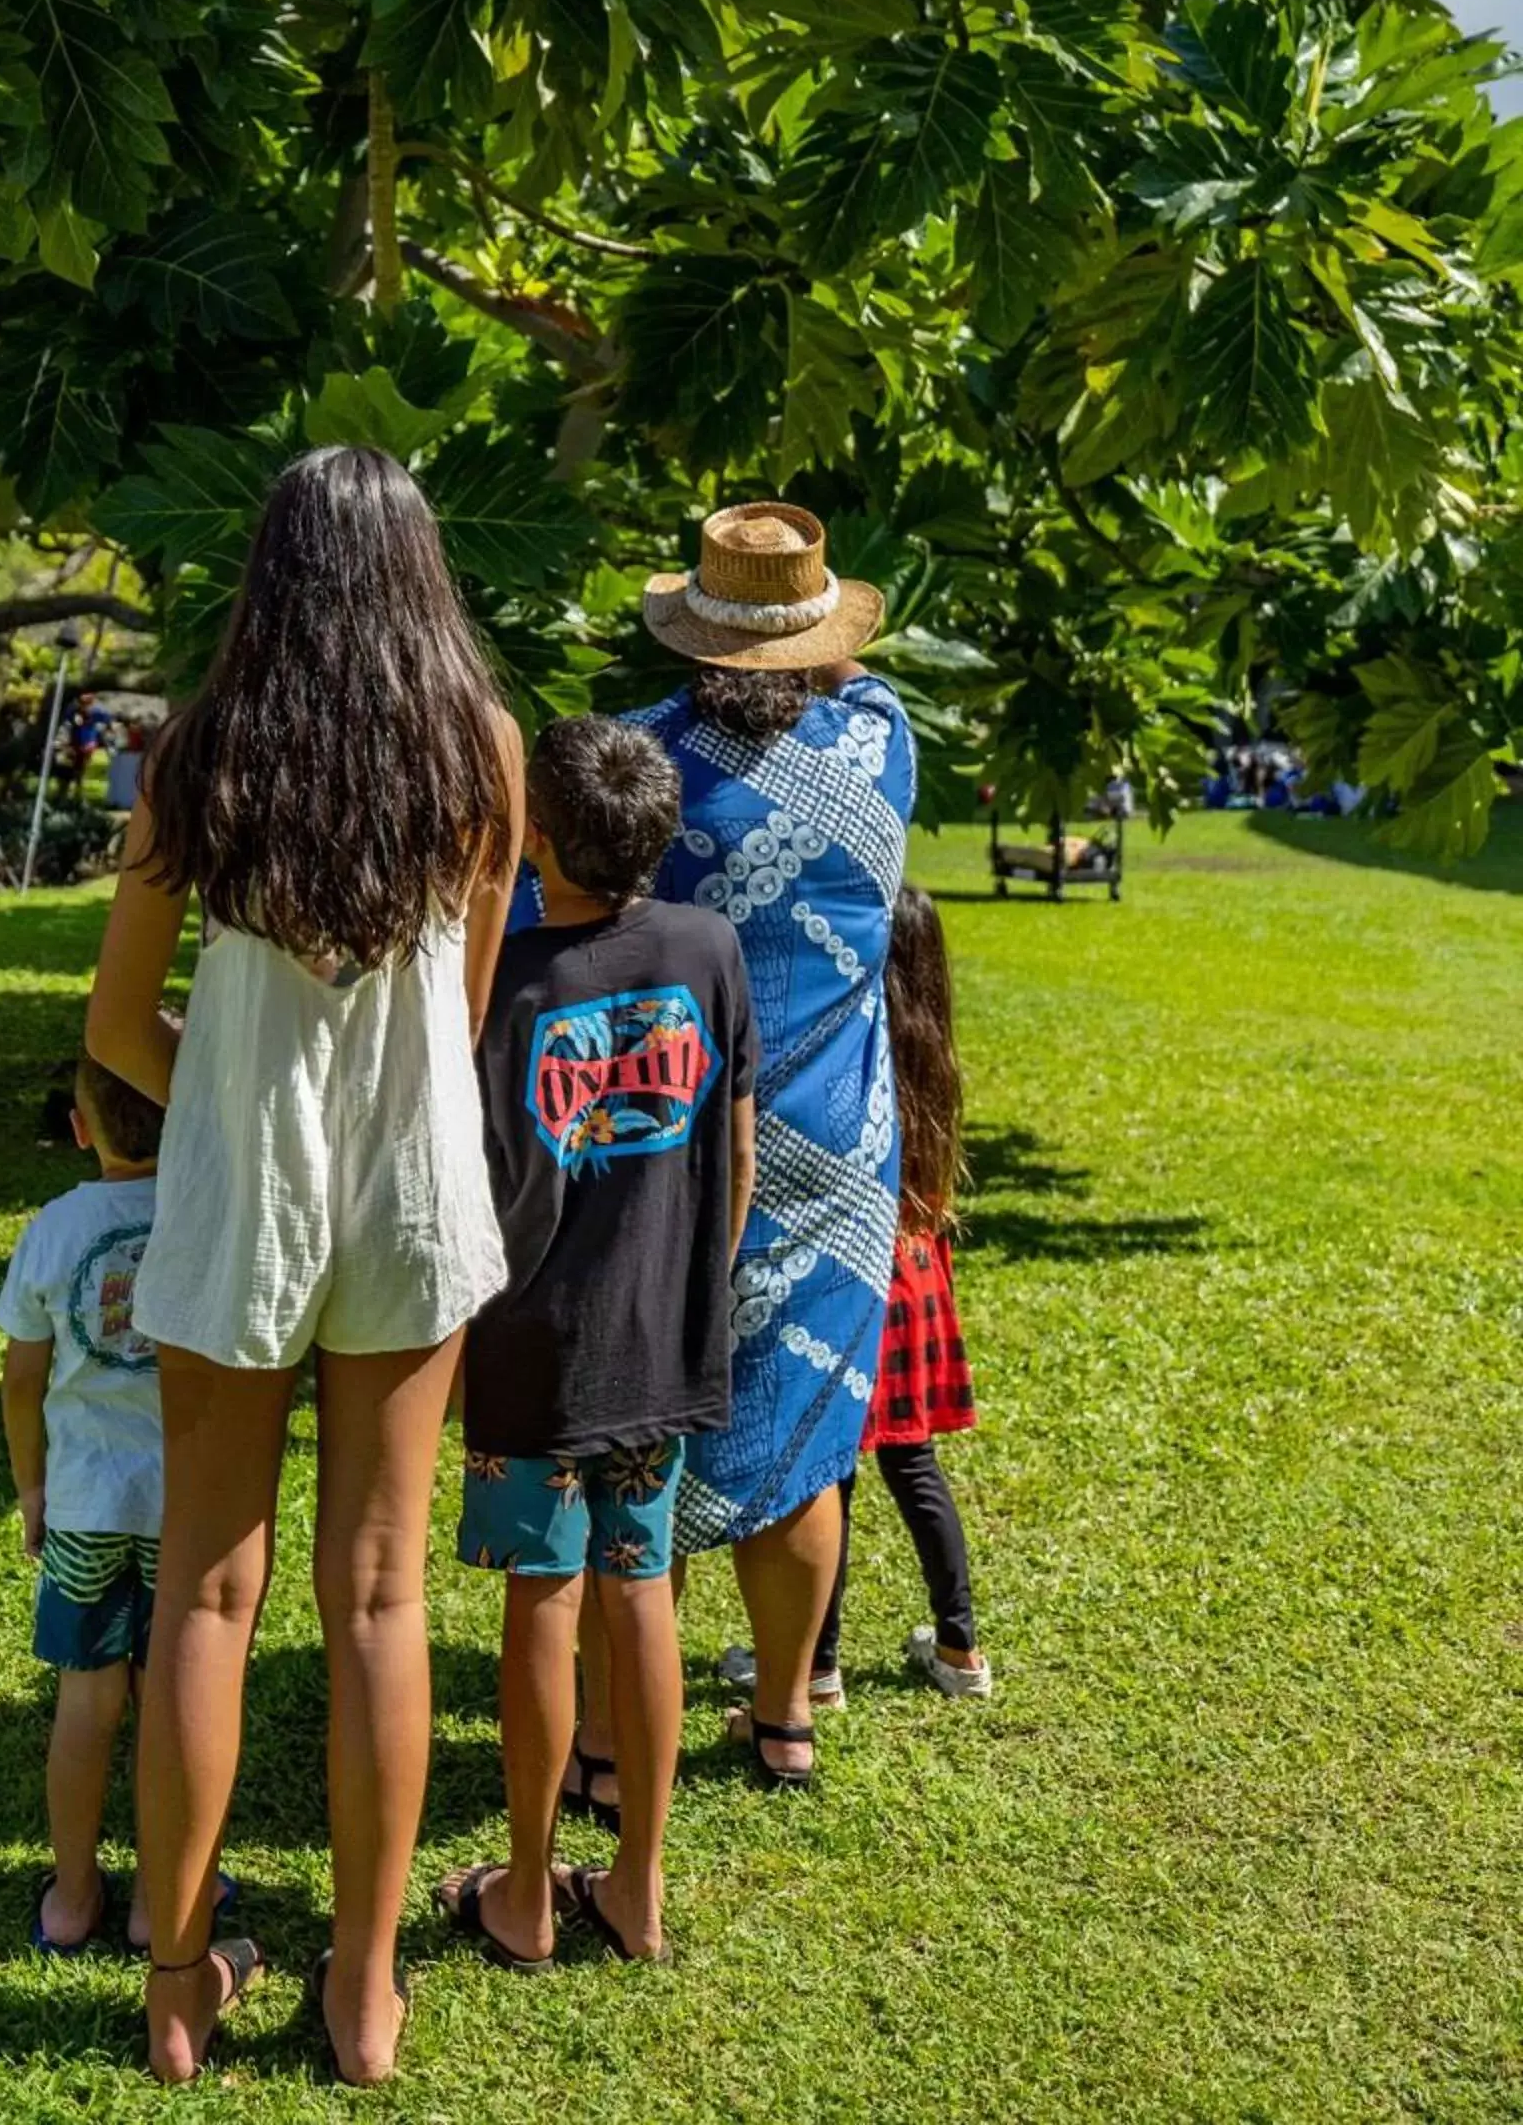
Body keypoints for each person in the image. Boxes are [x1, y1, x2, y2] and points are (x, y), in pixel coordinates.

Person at [84, 445, 522, 2088]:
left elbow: (119, 1027)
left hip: (235, 1193)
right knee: (384, 1594)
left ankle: (182, 1990)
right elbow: (462, 1015)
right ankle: (364, 1992)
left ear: (269, 573)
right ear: (420, 574)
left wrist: (221, 1059)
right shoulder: (480, 751)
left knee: (207, 1585)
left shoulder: (200, 757)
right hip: (412, 1194)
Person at [570, 501, 912, 1802]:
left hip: (667, 1146)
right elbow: (856, 677)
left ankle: (604, 1744)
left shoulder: (648, 767)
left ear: (693, 635)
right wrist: (812, 636)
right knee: (803, 1429)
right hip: (837, 1151)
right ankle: (783, 1723)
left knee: (634, 1441)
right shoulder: (886, 747)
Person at [437, 717, 757, 1972]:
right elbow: (730, 1147)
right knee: (641, 1592)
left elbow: (479, 1191)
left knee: (542, 1600)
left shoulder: (507, 984)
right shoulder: (711, 948)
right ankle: (637, 1887)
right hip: (666, 1339)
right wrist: (690, 1285)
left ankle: (523, 1896)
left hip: (536, 1348)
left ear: (537, 841)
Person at [724, 884, 990, 1708]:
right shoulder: (932, 1047)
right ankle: (960, 1646)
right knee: (914, 1467)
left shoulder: (854, 1041)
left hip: (853, 1269)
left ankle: (817, 1665)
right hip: (916, 1272)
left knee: (825, 1467)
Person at [0, 1051, 198, 1956]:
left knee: (87, 1702)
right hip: (186, 1512)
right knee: (171, 1699)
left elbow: (20, 1377)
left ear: (81, 1129)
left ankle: (72, 1898)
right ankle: (163, 1900)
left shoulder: (55, 1226)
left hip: (83, 1506)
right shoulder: (205, 1217)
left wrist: (32, 1485)